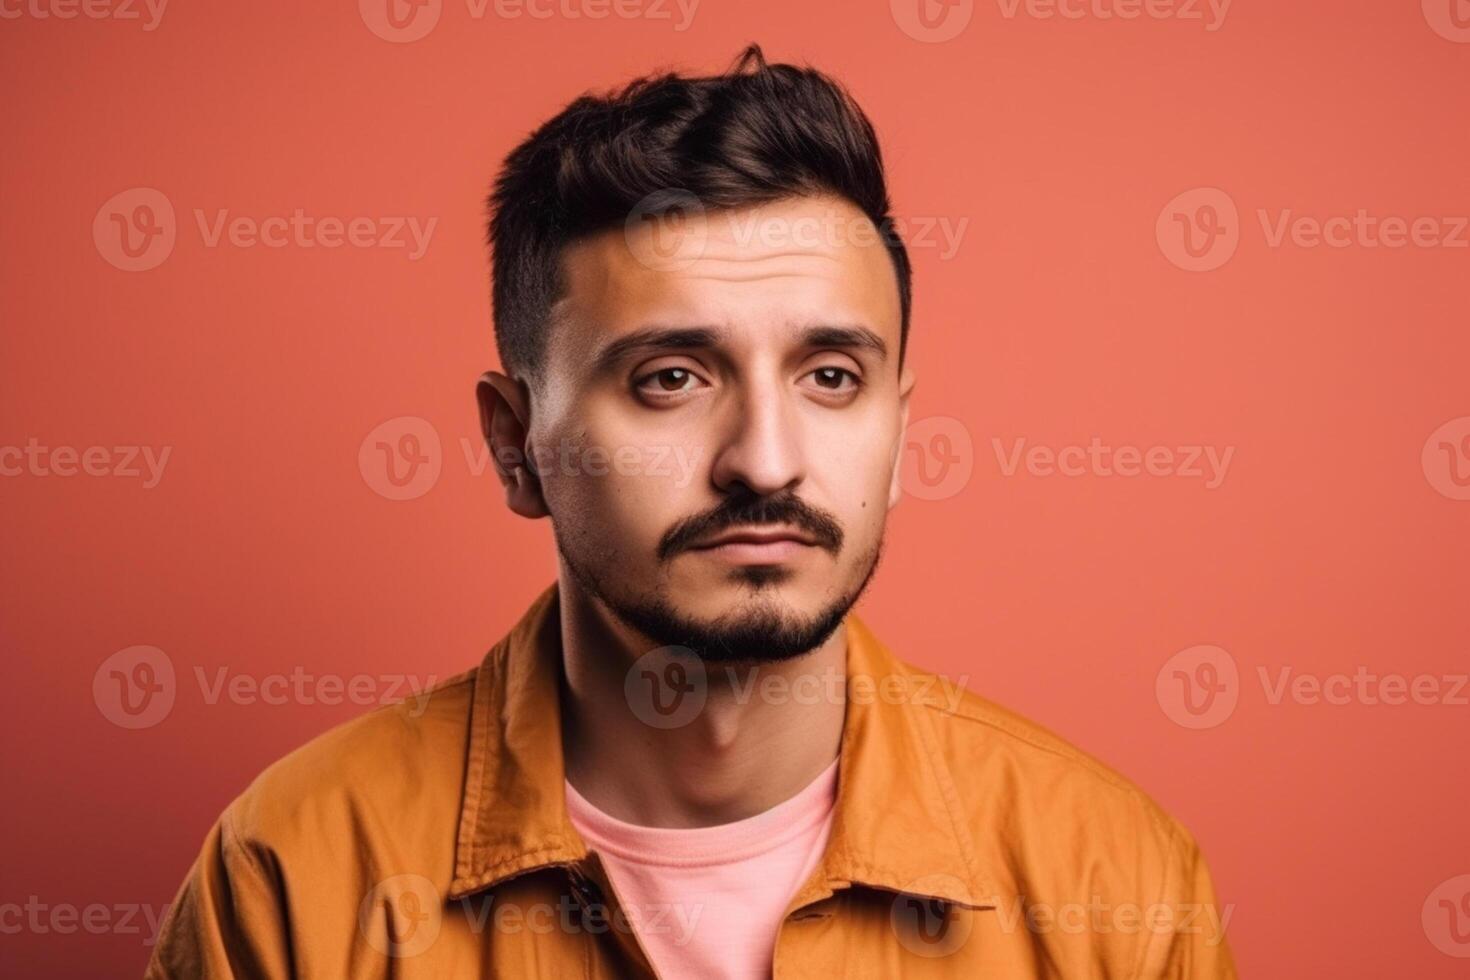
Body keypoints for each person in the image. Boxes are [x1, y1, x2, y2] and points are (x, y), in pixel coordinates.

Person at [147, 44, 1237, 978]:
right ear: (516, 445)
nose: (766, 460)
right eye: (671, 377)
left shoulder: (1114, 889)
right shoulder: (292, 877)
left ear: (900, 433)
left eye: (831, 377)